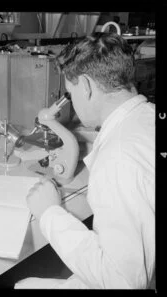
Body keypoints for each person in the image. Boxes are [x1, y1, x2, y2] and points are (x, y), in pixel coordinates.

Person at [15, 33, 155, 289]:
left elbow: (122, 282)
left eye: (71, 92)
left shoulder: (118, 159)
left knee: (22, 285)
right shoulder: (149, 116)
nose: (72, 102)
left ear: (87, 86)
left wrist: (49, 212)